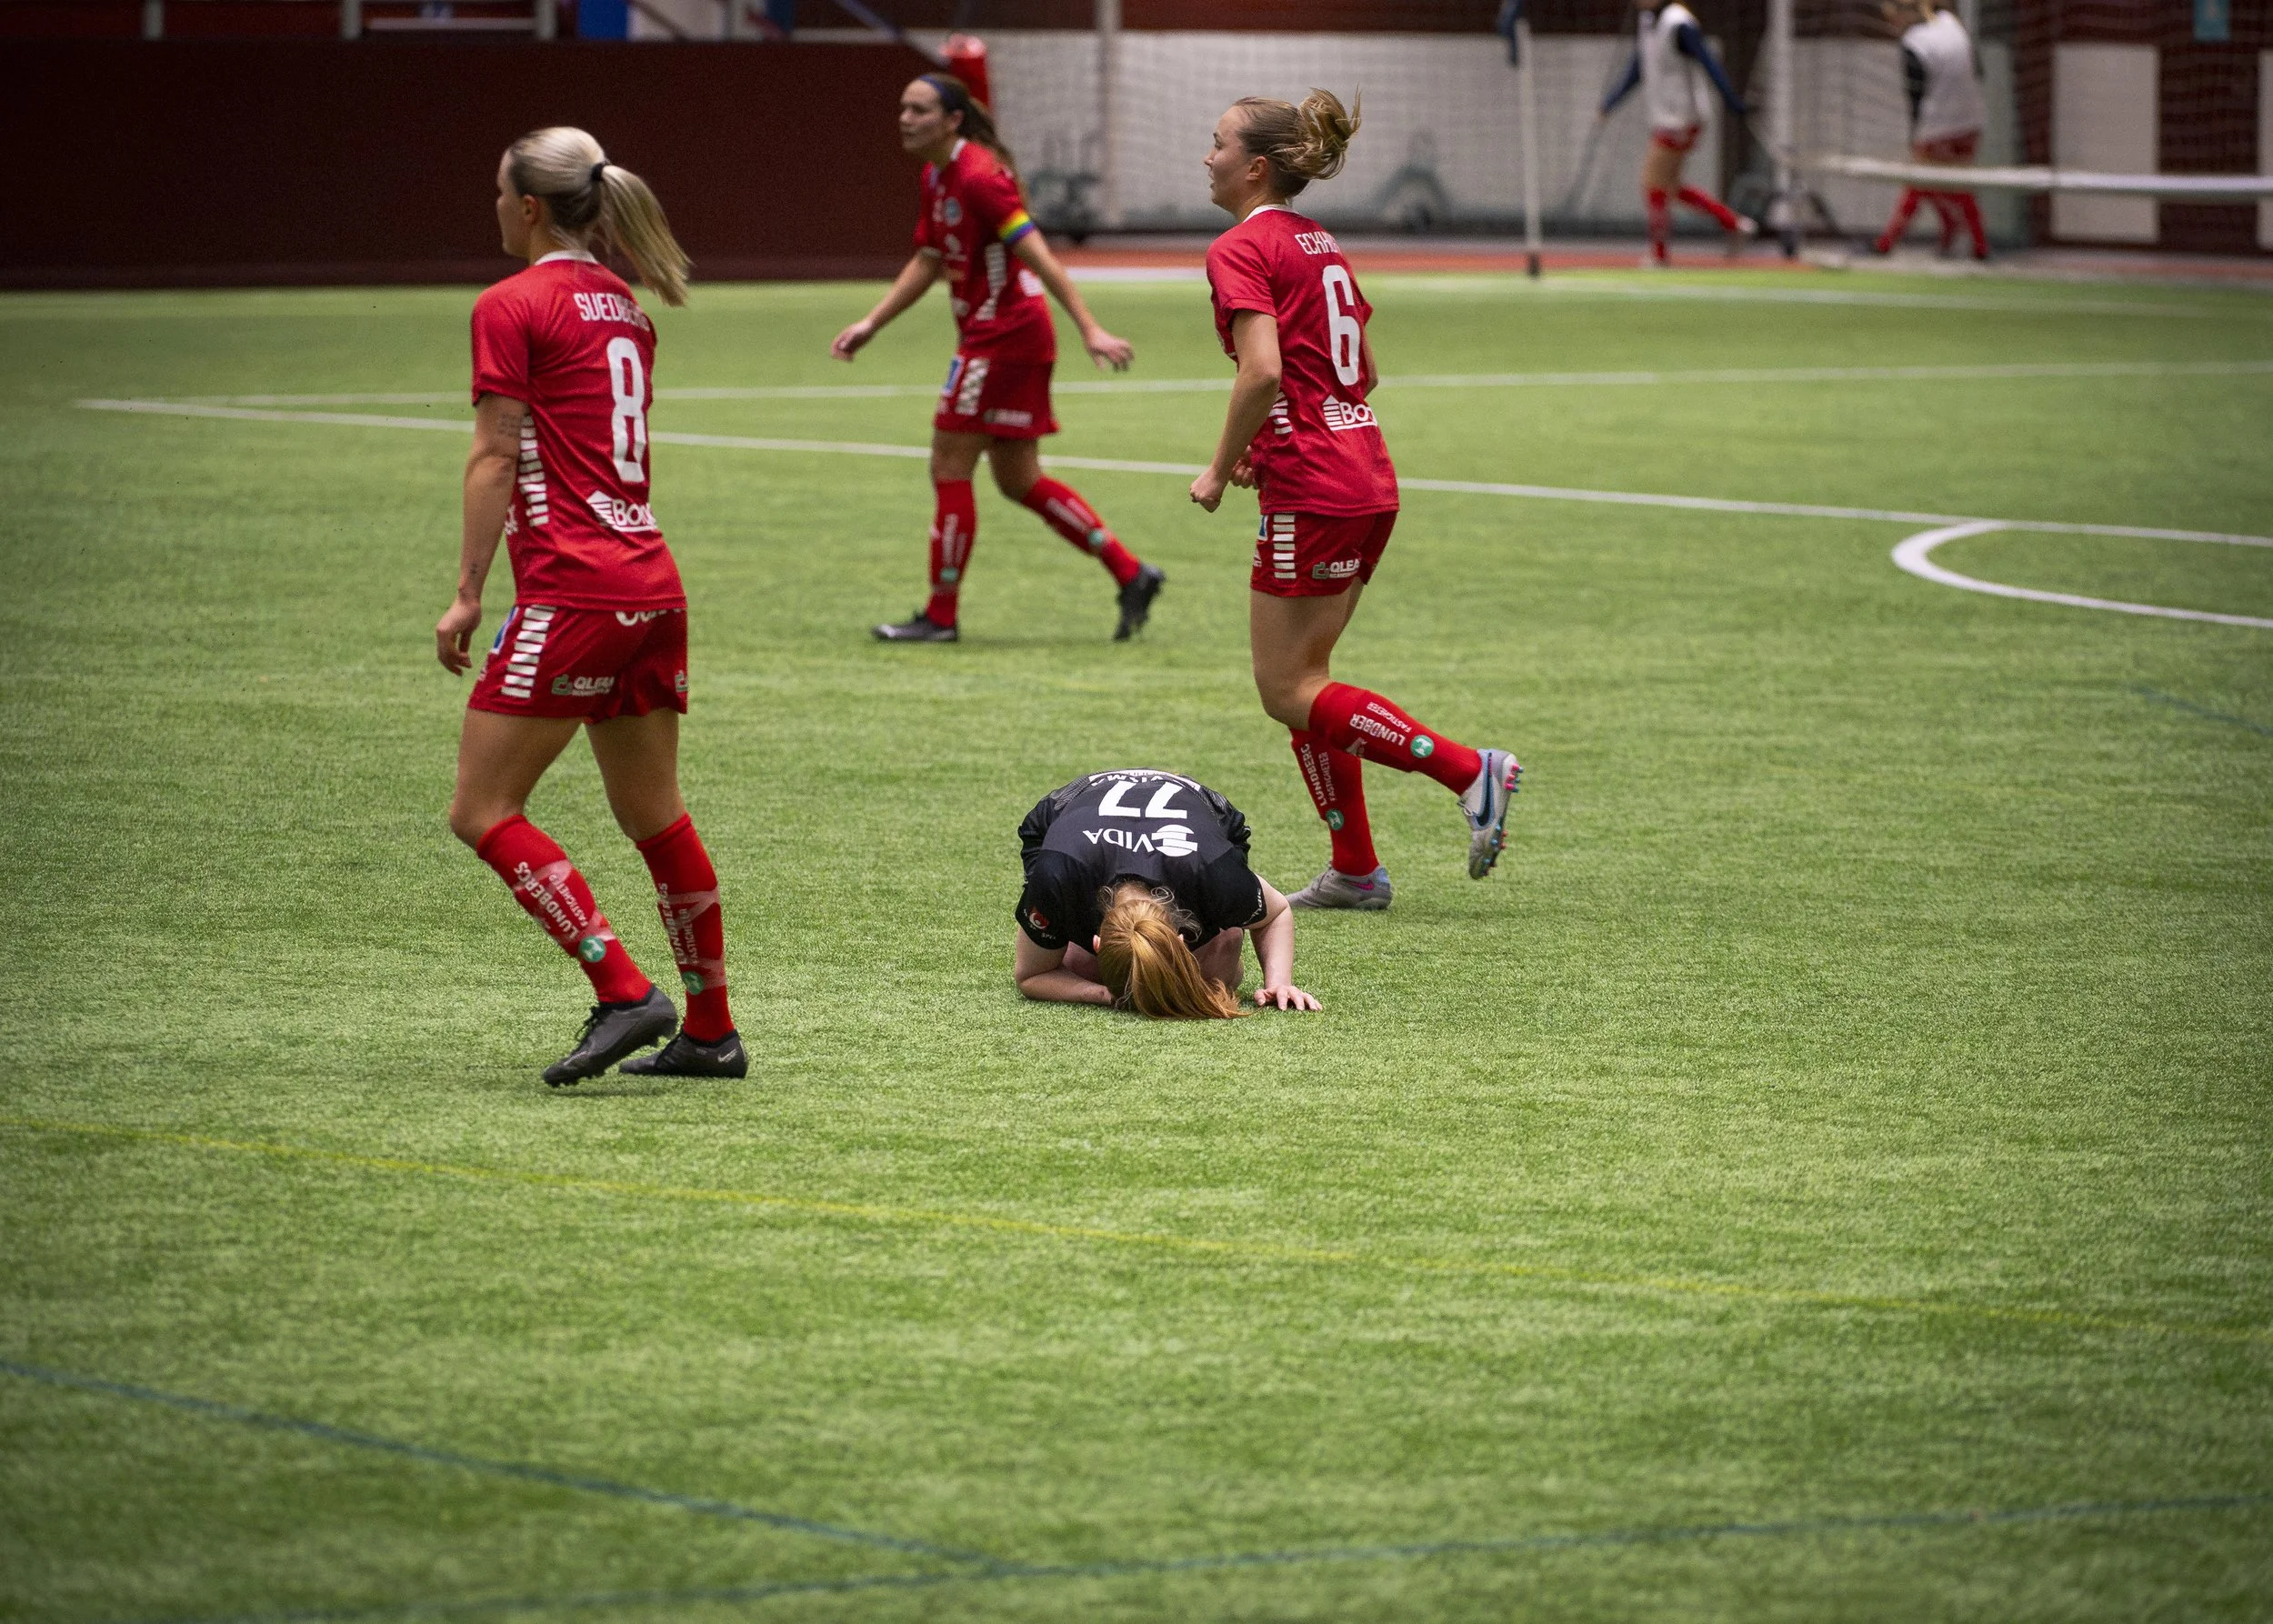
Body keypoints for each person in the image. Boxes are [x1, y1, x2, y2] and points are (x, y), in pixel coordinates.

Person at [436, 126, 746, 1087]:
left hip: (574, 587)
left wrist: (466, 593)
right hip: (651, 583)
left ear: (530, 207)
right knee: (655, 816)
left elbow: (495, 453)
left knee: (483, 808)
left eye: (498, 191)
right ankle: (710, 1030)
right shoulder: (626, 306)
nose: (492, 205)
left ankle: (622, 989)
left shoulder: (510, 303)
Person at [1189, 91, 1521, 916]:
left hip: (1315, 482)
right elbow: (1359, 369)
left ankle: (1466, 770)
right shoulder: (1319, 241)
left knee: (1284, 689)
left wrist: (1219, 464)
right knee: (1312, 680)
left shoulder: (1241, 245)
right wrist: (1272, 445)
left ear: (1256, 165)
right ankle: (1357, 870)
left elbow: (1262, 370)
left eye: (1219, 142)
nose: (1207, 156)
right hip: (1364, 468)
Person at [831, 74, 1167, 645]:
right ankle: (1132, 573)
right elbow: (930, 258)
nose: (905, 119)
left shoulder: (981, 177)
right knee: (1018, 480)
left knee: (949, 465)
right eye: (903, 108)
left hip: (1002, 339)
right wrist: (873, 322)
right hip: (1008, 337)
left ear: (952, 120)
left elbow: (1038, 255)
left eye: (918, 110)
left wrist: (1090, 327)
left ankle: (940, 617)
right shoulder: (936, 176)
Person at [1013, 769, 1317, 1017]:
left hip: (1199, 803)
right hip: (1070, 806)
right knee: (1082, 965)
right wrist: (1104, 993)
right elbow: (1030, 976)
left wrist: (1279, 983)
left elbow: (1275, 913)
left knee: (1222, 957)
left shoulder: (1217, 875)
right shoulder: (1054, 878)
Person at [1600, 0, 1757, 266]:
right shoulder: (1648, 23)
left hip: (1682, 118)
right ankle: (1735, 224)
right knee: (1669, 187)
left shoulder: (1679, 24)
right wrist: (1610, 102)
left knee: (1652, 181)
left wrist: (1732, 101)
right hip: (1666, 117)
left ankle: (1660, 255)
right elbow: (1638, 68)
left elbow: (1709, 63)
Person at [1869, 0, 1988, 260]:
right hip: (1972, 120)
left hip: (1940, 123)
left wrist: (1915, 135)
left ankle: (1886, 242)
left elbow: (1916, 95)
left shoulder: (1914, 42)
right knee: (1954, 184)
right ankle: (1962, 238)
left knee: (1921, 184)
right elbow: (1979, 70)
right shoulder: (1953, 25)